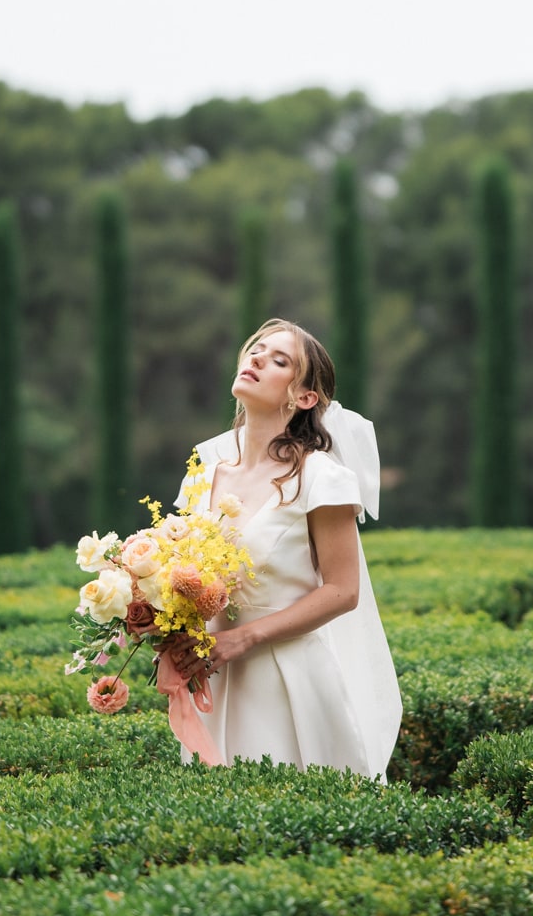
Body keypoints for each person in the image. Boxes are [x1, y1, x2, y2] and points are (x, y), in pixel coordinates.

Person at [171, 317, 401, 779]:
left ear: (304, 398)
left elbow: (342, 590)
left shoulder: (322, 479)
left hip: (285, 677)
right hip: (211, 677)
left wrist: (243, 637)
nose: (256, 358)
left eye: (279, 360)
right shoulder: (202, 472)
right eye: (256, 349)